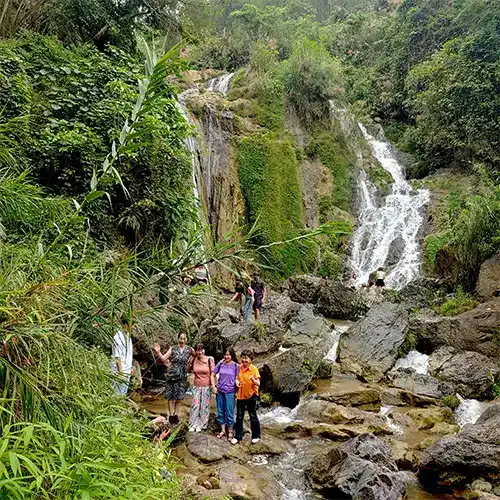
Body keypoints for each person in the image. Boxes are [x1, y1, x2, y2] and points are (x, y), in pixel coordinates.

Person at [153, 333, 193, 425]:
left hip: (182, 375)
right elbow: (163, 358)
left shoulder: (189, 349)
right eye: (180, 338)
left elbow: (197, 355)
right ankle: (171, 415)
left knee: (179, 396)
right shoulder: (173, 348)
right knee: (171, 396)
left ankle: (176, 415)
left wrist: (190, 363)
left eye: (184, 339)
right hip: (172, 374)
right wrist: (158, 351)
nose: (182, 340)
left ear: (186, 339)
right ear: (178, 338)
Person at [231, 350, 261, 445]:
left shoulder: (254, 369)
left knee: (252, 415)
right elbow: (236, 379)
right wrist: (236, 382)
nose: (244, 360)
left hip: (251, 395)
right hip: (240, 395)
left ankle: (256, 436)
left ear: (251, 359)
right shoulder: (239, 368)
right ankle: (237, 436)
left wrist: (253, 379)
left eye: (246, 358)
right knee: (239, 417)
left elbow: (258, 383)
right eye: (242, 358)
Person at [187, 344, 215, 432]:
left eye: (201, 350)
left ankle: (202, 424)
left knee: (204, 406)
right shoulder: (194, 360)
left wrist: (213, 386)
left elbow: (213, 374)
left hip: (206, 386)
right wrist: (190, 360)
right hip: (196, 386)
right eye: (197, 350)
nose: (200, 352)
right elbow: (188, 370)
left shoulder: (210, 360)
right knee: (195, 405)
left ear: (204, 350)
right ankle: (193, 423)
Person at [212, 349, 239, 440]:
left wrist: (237, 387)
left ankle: (230, 431)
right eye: (225, 355)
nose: (226, 357)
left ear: (232, 356)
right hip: (220, 391)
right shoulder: (220, 364)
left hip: (230, 392)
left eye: (228, 355)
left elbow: (238, 378)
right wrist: (213, 387)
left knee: (230, 412)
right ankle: (223, 430)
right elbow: (212, 374)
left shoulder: (236, 366)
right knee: (220, 411)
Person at [111, 315, 134, 396]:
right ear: (125, 325)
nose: (133, 327)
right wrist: (121, 373)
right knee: (116, 395)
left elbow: (128, 354)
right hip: (120, 372)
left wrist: (130, 368)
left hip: (126, 371)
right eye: (132, 325)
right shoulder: (118, 337)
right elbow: (117, 357)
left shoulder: (128, 336)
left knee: (123, 395)